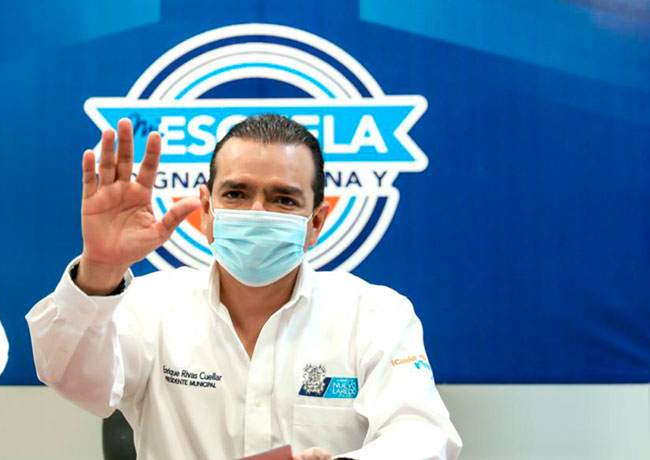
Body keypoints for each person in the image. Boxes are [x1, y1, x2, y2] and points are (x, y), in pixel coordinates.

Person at [26, 114, 462, 460]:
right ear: (207, 210)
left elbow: (424, 435)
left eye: (283, 199)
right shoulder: (149, 306)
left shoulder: (375, 315)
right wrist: (101, 269)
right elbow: (71, 379)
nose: (257, 212)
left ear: (316, 222)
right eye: (236, 194)